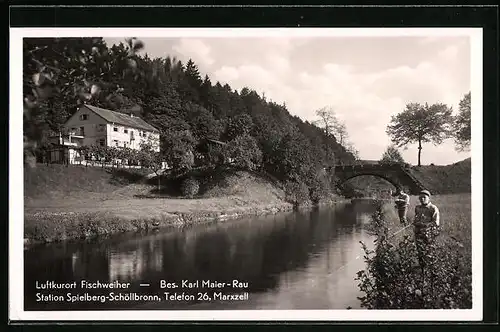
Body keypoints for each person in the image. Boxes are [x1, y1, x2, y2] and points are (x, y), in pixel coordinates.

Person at [413, 190, 440, 269]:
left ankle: (431, 269)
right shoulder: (417, 208)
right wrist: (415, 223)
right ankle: (422, 268)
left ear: (429, 198)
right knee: (420, 250)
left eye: (424, 197)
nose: (422, 199)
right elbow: (416, 219)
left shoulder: (433, 208)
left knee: (429, 251)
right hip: (418, 233)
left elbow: (436, 223)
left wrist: (424, 225)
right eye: (420, 198)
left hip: (429, 234)